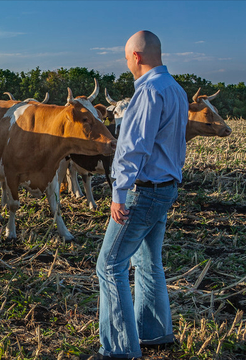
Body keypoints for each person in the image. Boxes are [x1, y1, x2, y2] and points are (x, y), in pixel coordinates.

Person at [90, 31, 189, 359]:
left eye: (125, 57)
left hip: (141, 192)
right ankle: (154, 333)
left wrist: (119, 192)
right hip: (165, 188)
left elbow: (133, 148)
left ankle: (119, 350)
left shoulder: (148, 92)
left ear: (135, 57)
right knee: (148, 261)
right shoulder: (175, 89)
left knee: (109, 265)